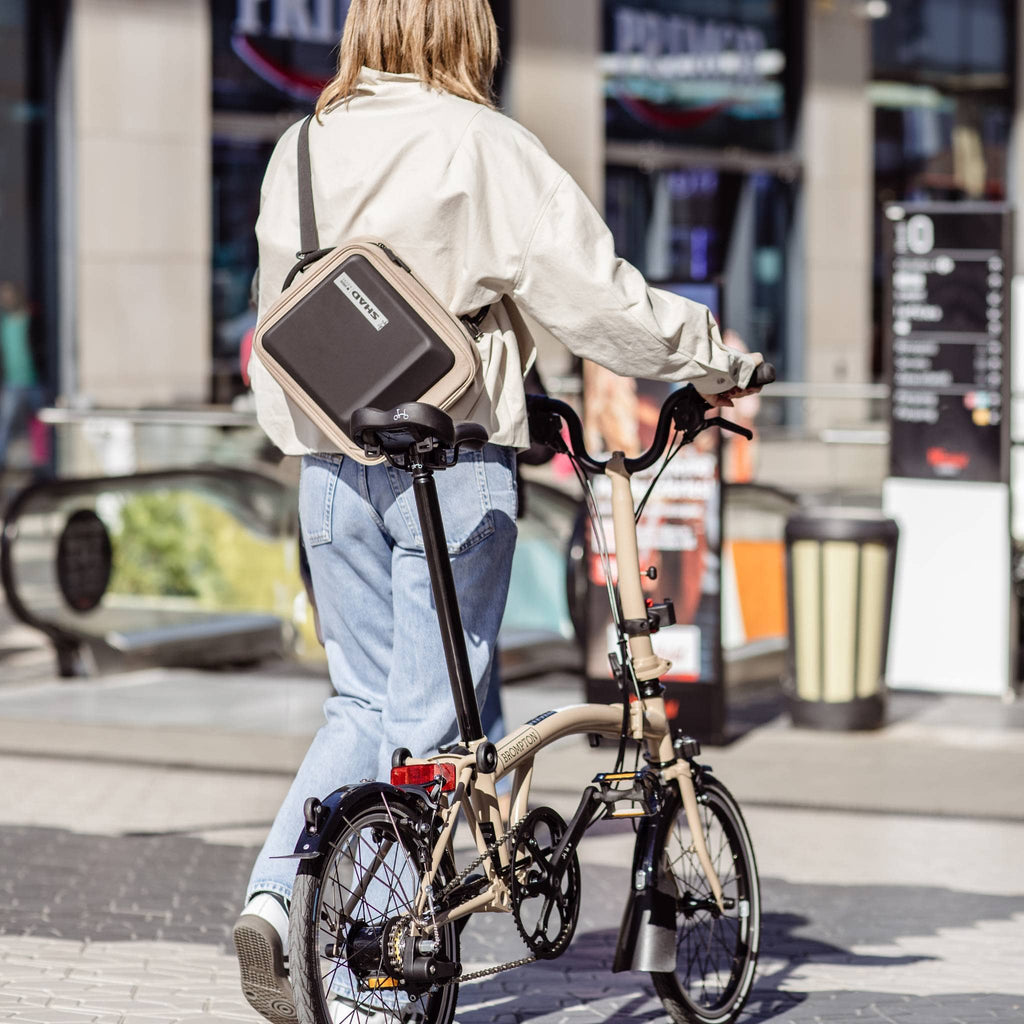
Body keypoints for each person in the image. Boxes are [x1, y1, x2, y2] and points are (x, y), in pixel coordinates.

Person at [234, 2, 765, 1022]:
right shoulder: (481, 143)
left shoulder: (300, 146)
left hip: (329, 468)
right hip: (454, 465)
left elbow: (280, 325)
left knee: (366, 706)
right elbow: (600, 300)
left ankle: (275, 895)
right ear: (462, 30)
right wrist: (721, 356)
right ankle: (371, 979)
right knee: (428, 735)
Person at [0, 281, 44, 472]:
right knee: (5, 424)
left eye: (9, 295)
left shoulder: (30, 319)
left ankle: (41, 462)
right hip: (12, 383)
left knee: (40, 423)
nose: (6, 299)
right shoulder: (3, 322)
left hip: (34, 380)